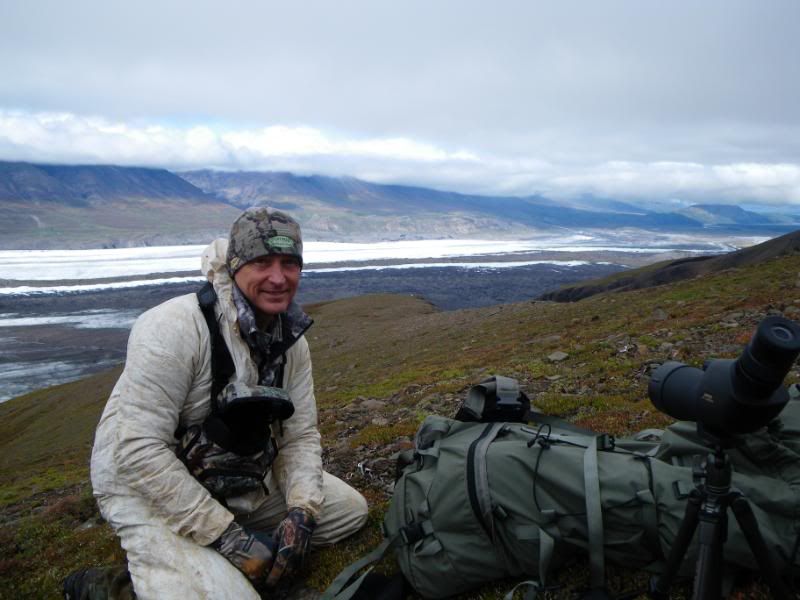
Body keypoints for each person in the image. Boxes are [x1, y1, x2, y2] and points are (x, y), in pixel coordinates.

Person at [84, 207, 368, 599]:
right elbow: (136, 448)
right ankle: (118, 586)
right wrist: (225, 534)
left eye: (290, 263)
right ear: (234, 266)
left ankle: (214, 556)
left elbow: (300, 435)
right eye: (261, 262)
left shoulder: (291, 343)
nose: (277, 277)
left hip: (235, 471)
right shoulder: (175, 327)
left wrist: (301, 512)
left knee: (347, 512)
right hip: (142, 482)